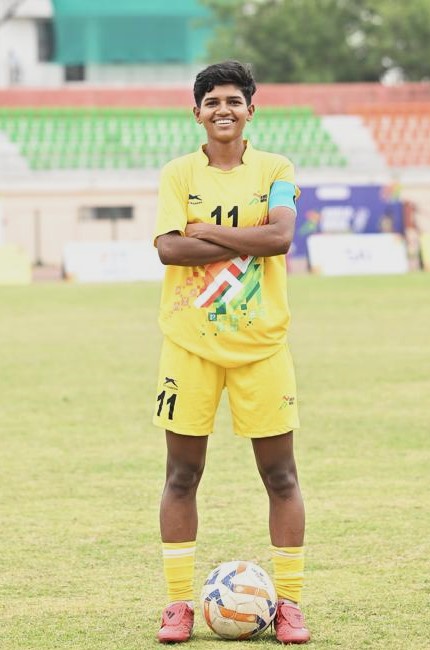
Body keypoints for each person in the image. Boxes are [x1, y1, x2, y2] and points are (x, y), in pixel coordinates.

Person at [153, 60, 310, 645]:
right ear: (197, 112)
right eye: (213, 101)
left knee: (281, 476)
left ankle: (289, 603)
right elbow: (169, 250)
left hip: (262, 348)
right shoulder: (178, 174)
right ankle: (177, 605)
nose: (224, 109)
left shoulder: (276, 170)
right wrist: (244, 239)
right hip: (188, 346)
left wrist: (205, 231)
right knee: (181, 475)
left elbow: (281, 237)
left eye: (234, 100)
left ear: (251, 110)